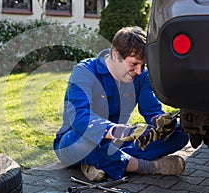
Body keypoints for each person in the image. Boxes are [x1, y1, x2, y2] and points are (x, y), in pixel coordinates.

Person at [53, 26, 189, 181]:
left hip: (116, 144)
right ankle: (149, 167)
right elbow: (80, 119)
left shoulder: (141, 76)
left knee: (179, 134)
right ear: (116, 54)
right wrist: (125, 132)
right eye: (133, 64)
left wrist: (160, 122)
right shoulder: (84, 72)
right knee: (77, 141)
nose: (139, 71)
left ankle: (101, 162)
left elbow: (151, 110)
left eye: (143, 65)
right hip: (76, 139)